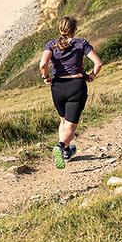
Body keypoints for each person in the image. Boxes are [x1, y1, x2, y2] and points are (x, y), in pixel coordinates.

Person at [40, 16, 103, 169]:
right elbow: (98, 63)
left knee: (63, 121)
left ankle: (67, 151)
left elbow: (43, 64)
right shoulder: (81, 43)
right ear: (75, 30)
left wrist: (46, 77)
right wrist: (92, 75)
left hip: (58, 87)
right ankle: (60, 146)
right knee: (71, 126)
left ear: (60, 29)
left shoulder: (51, 44)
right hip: (76, 86)